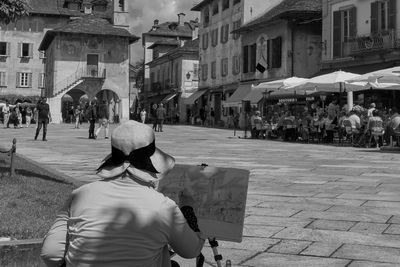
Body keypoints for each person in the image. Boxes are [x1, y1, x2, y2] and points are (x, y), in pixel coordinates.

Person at [41, 121, 205, 267]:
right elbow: (191, 251)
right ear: (151, 167)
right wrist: (188, 210)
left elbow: (51, 254)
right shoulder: (164, 206)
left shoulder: (79, 195)